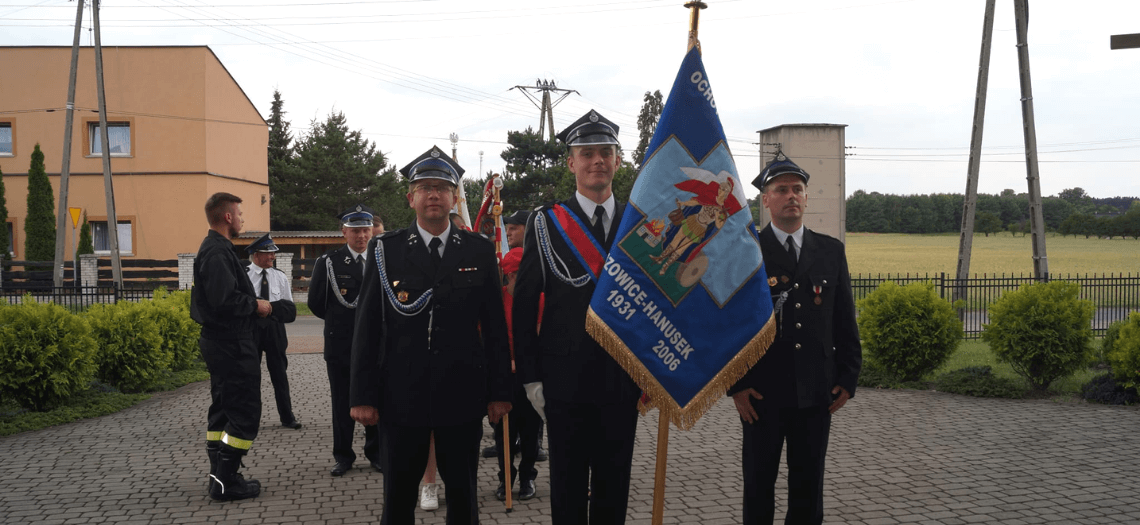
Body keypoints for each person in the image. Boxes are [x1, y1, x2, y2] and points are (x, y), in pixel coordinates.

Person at [349, 145, 512, 524]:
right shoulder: (384, 251)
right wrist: (362, 395)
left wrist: (500, 391)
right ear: (411, 199)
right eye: (425, 188)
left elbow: (494, 327)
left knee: (463, 497)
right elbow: (367, 327)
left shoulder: (479, 250)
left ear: (455, 197)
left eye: (442, 187)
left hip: (462, 395)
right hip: (401, 397)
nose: (434, 194)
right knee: (398, 499)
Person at [513, 110, 641, 524]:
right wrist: (531, 379)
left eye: (606, 152)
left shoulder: (639, 224)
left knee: (614, 491)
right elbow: (524, 305)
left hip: (623, 383)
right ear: (571, 163)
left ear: (618, 161)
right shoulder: (547, 223)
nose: (597, 161)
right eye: (587, 153)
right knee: (567, 494)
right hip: (564, 385)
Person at [729, 152, 862, 525]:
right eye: (781, 189)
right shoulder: (748, 250)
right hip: (760, 394)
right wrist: (736, 386)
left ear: (806, 198)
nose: (791, 196)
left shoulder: (830, 250)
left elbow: (843, 320)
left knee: (808, 489)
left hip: (815, 392)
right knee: (758, 487)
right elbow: (732, 324)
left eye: (798, 189)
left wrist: (848, 378)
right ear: (765, 199)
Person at [190, 192, 272, 501]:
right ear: (227, 217)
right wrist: (256, 305)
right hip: (231, 344)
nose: (241, 219)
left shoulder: (216, 248)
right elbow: (224, 300)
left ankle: (218, 475)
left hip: (222, 343)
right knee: (245, 412)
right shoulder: (216, 253)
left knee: (223, 409)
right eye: (239, 214)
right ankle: (226, 481)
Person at [309, 205, 382, 476]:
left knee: (374, 398)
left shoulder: (382, 258)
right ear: (344, 232)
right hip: (341, 344)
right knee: (342, 402)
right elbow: (316, 302)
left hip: (375, 344)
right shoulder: (329, 262)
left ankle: (376, 453)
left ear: (372, 231)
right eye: (355, 231)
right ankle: (343, 455)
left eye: (366, 230)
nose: (361, 236)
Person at [495, 247, 542, 502]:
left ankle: (527, 477)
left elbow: (540, 337)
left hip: (530, 376)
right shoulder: (498, 299)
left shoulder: (540, 299)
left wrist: (523, 362)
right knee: (503, 432)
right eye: (516, 275)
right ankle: (505, 478)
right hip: (504, 376)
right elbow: (488, 337)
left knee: (530, 432)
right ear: (509, 276)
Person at [244, 233, 300, 430]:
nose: (272, 257)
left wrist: (270, 307)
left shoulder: (280, 277)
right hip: (251, 331)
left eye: (273, 253)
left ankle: (287, 417)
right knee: (251, 376)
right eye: (268, 253)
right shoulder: (244, 275)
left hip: (275, 331)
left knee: (279, 375)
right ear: (255, 255)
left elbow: (290, 310)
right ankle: (251, 419)